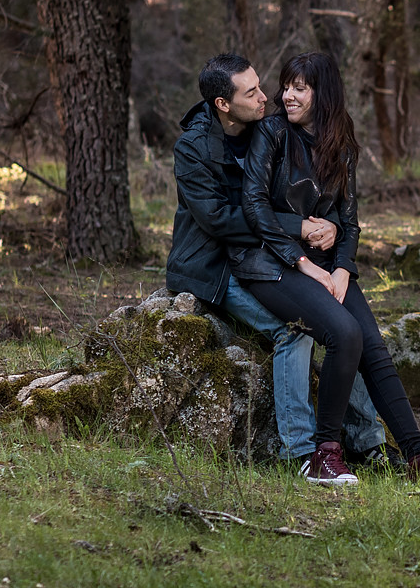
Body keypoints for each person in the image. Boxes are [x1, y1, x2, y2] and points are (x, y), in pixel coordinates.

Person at [236, 51, 420, 487]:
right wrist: (304, 259)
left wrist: (344, 268)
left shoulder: (341, 144)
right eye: (286, 86)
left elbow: (349, 221)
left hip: (327, 264)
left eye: (299, 88)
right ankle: (323, 457)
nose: (285, 96)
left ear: (322, 94)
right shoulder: (270, 133)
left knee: (372, 346)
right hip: (270, 261)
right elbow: (253, 207)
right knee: (342, 334)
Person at [164, 53, 391, 465]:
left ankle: (368, 443)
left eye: (260, 84)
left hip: (267, 253)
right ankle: (301, 453)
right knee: (297, 330)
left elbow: (303, 192)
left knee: (341, 323)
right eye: (251, 92)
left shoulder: (264, 130)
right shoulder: (193, 148)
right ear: (223, 104)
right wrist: (298, 227)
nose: (267, 96)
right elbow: (220, 220)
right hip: (216, 265)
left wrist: (331, 226)